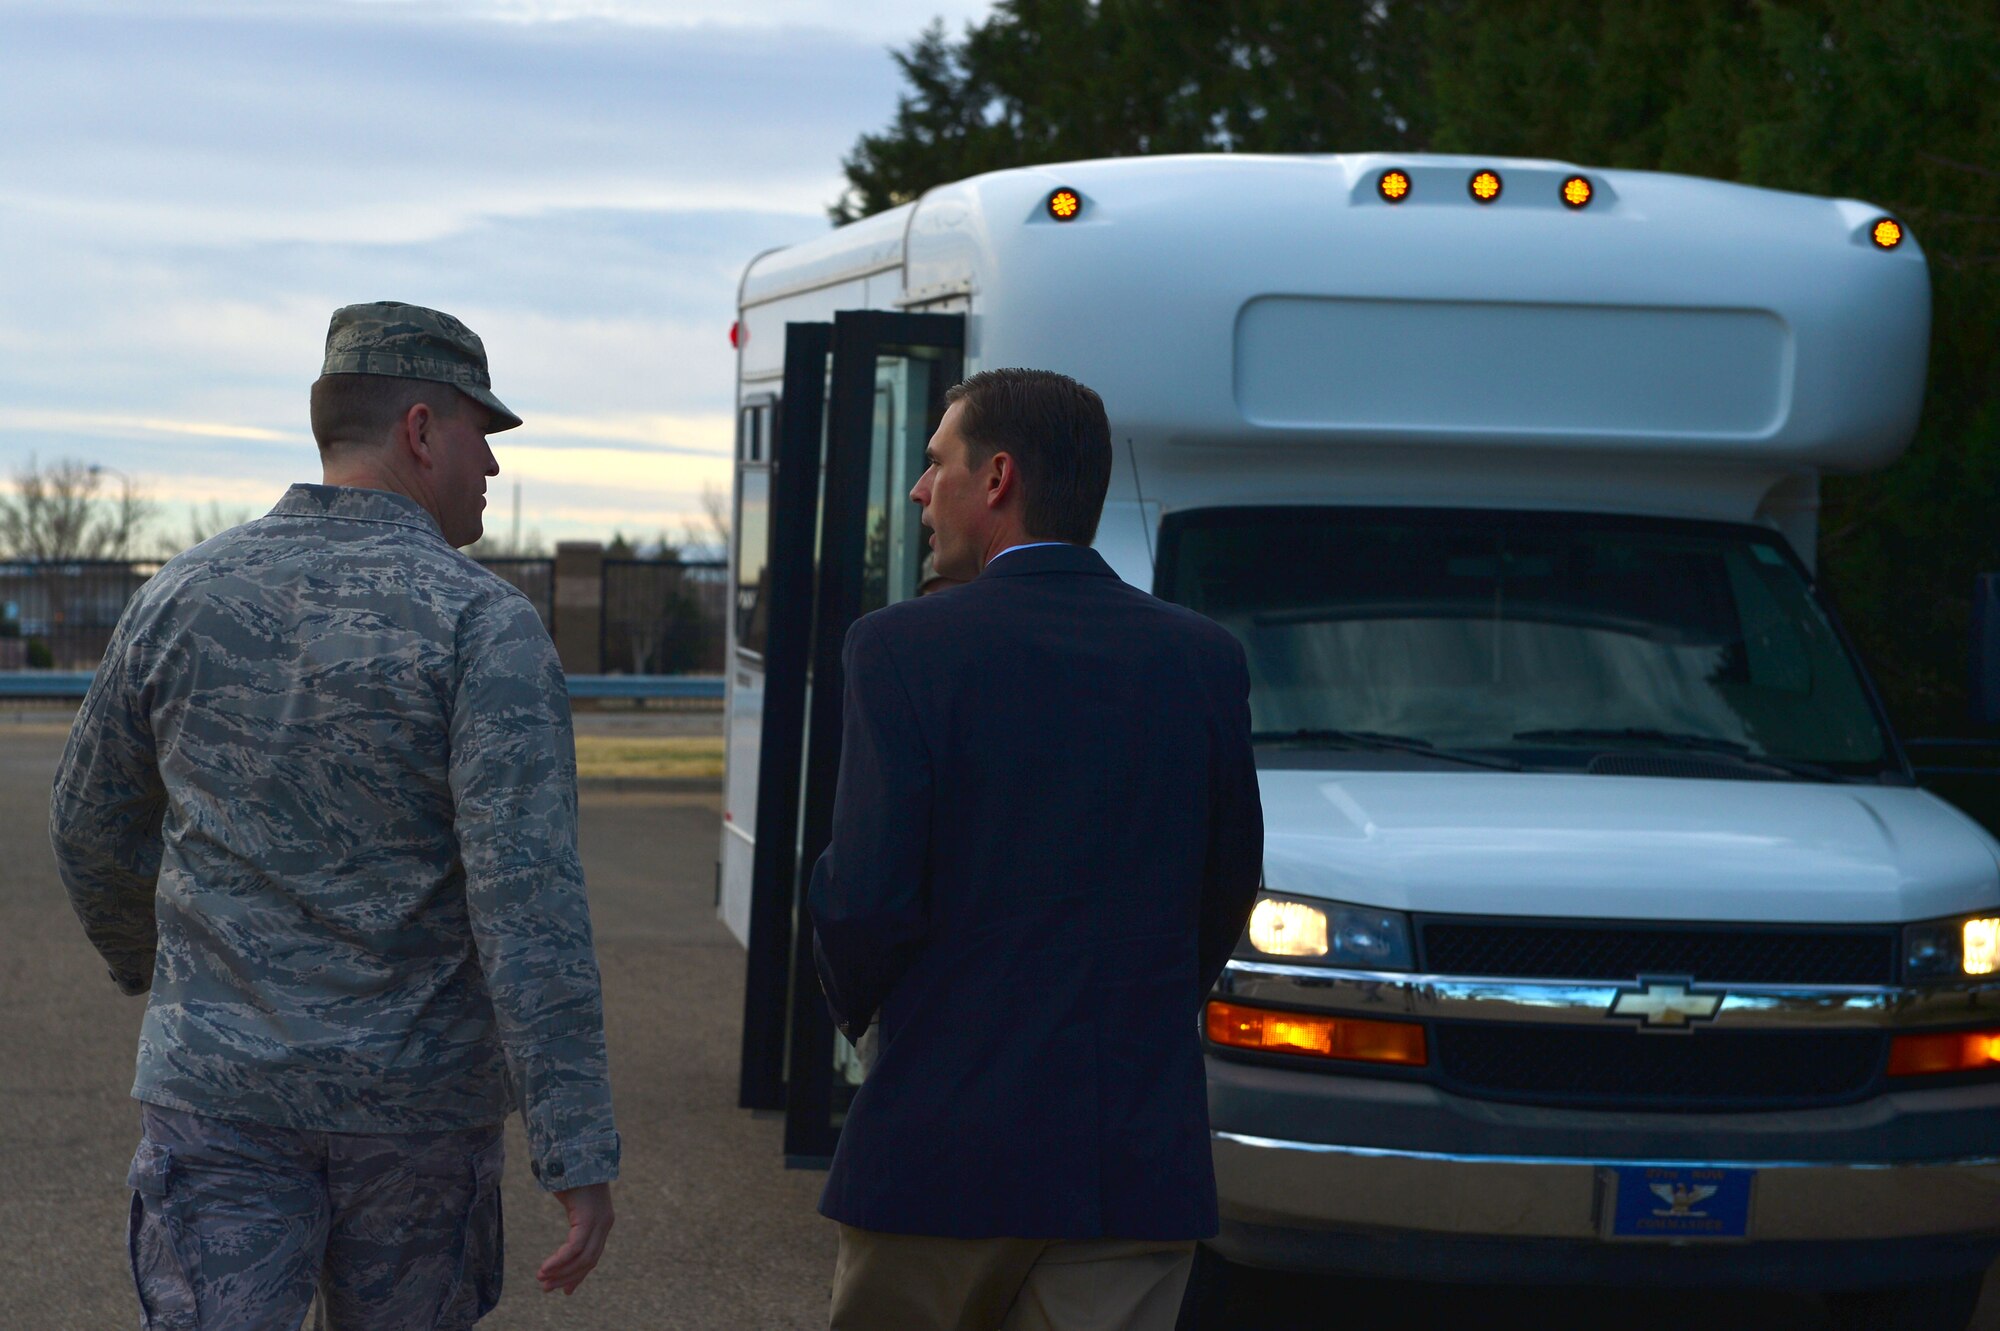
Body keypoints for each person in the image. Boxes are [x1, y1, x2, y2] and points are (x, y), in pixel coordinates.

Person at [49, 301, 618, 1329]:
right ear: (418, 428)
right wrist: (574, 1145)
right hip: (416, 1115)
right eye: (481, 433)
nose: (490, 464)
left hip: (217, 1097)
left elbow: (89, 822)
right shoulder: (481, 625)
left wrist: (173, 978)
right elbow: (527, 904)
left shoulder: (180, 595)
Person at [807, 368, 1264, 1330]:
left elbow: (864, 896)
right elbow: (1228, 887)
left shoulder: (898, 648)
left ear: (999, 476)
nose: (923, 491)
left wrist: (868, 1023)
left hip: (940, 1152)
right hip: (1131, 1158)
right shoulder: (1204, 658)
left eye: (937, 464)